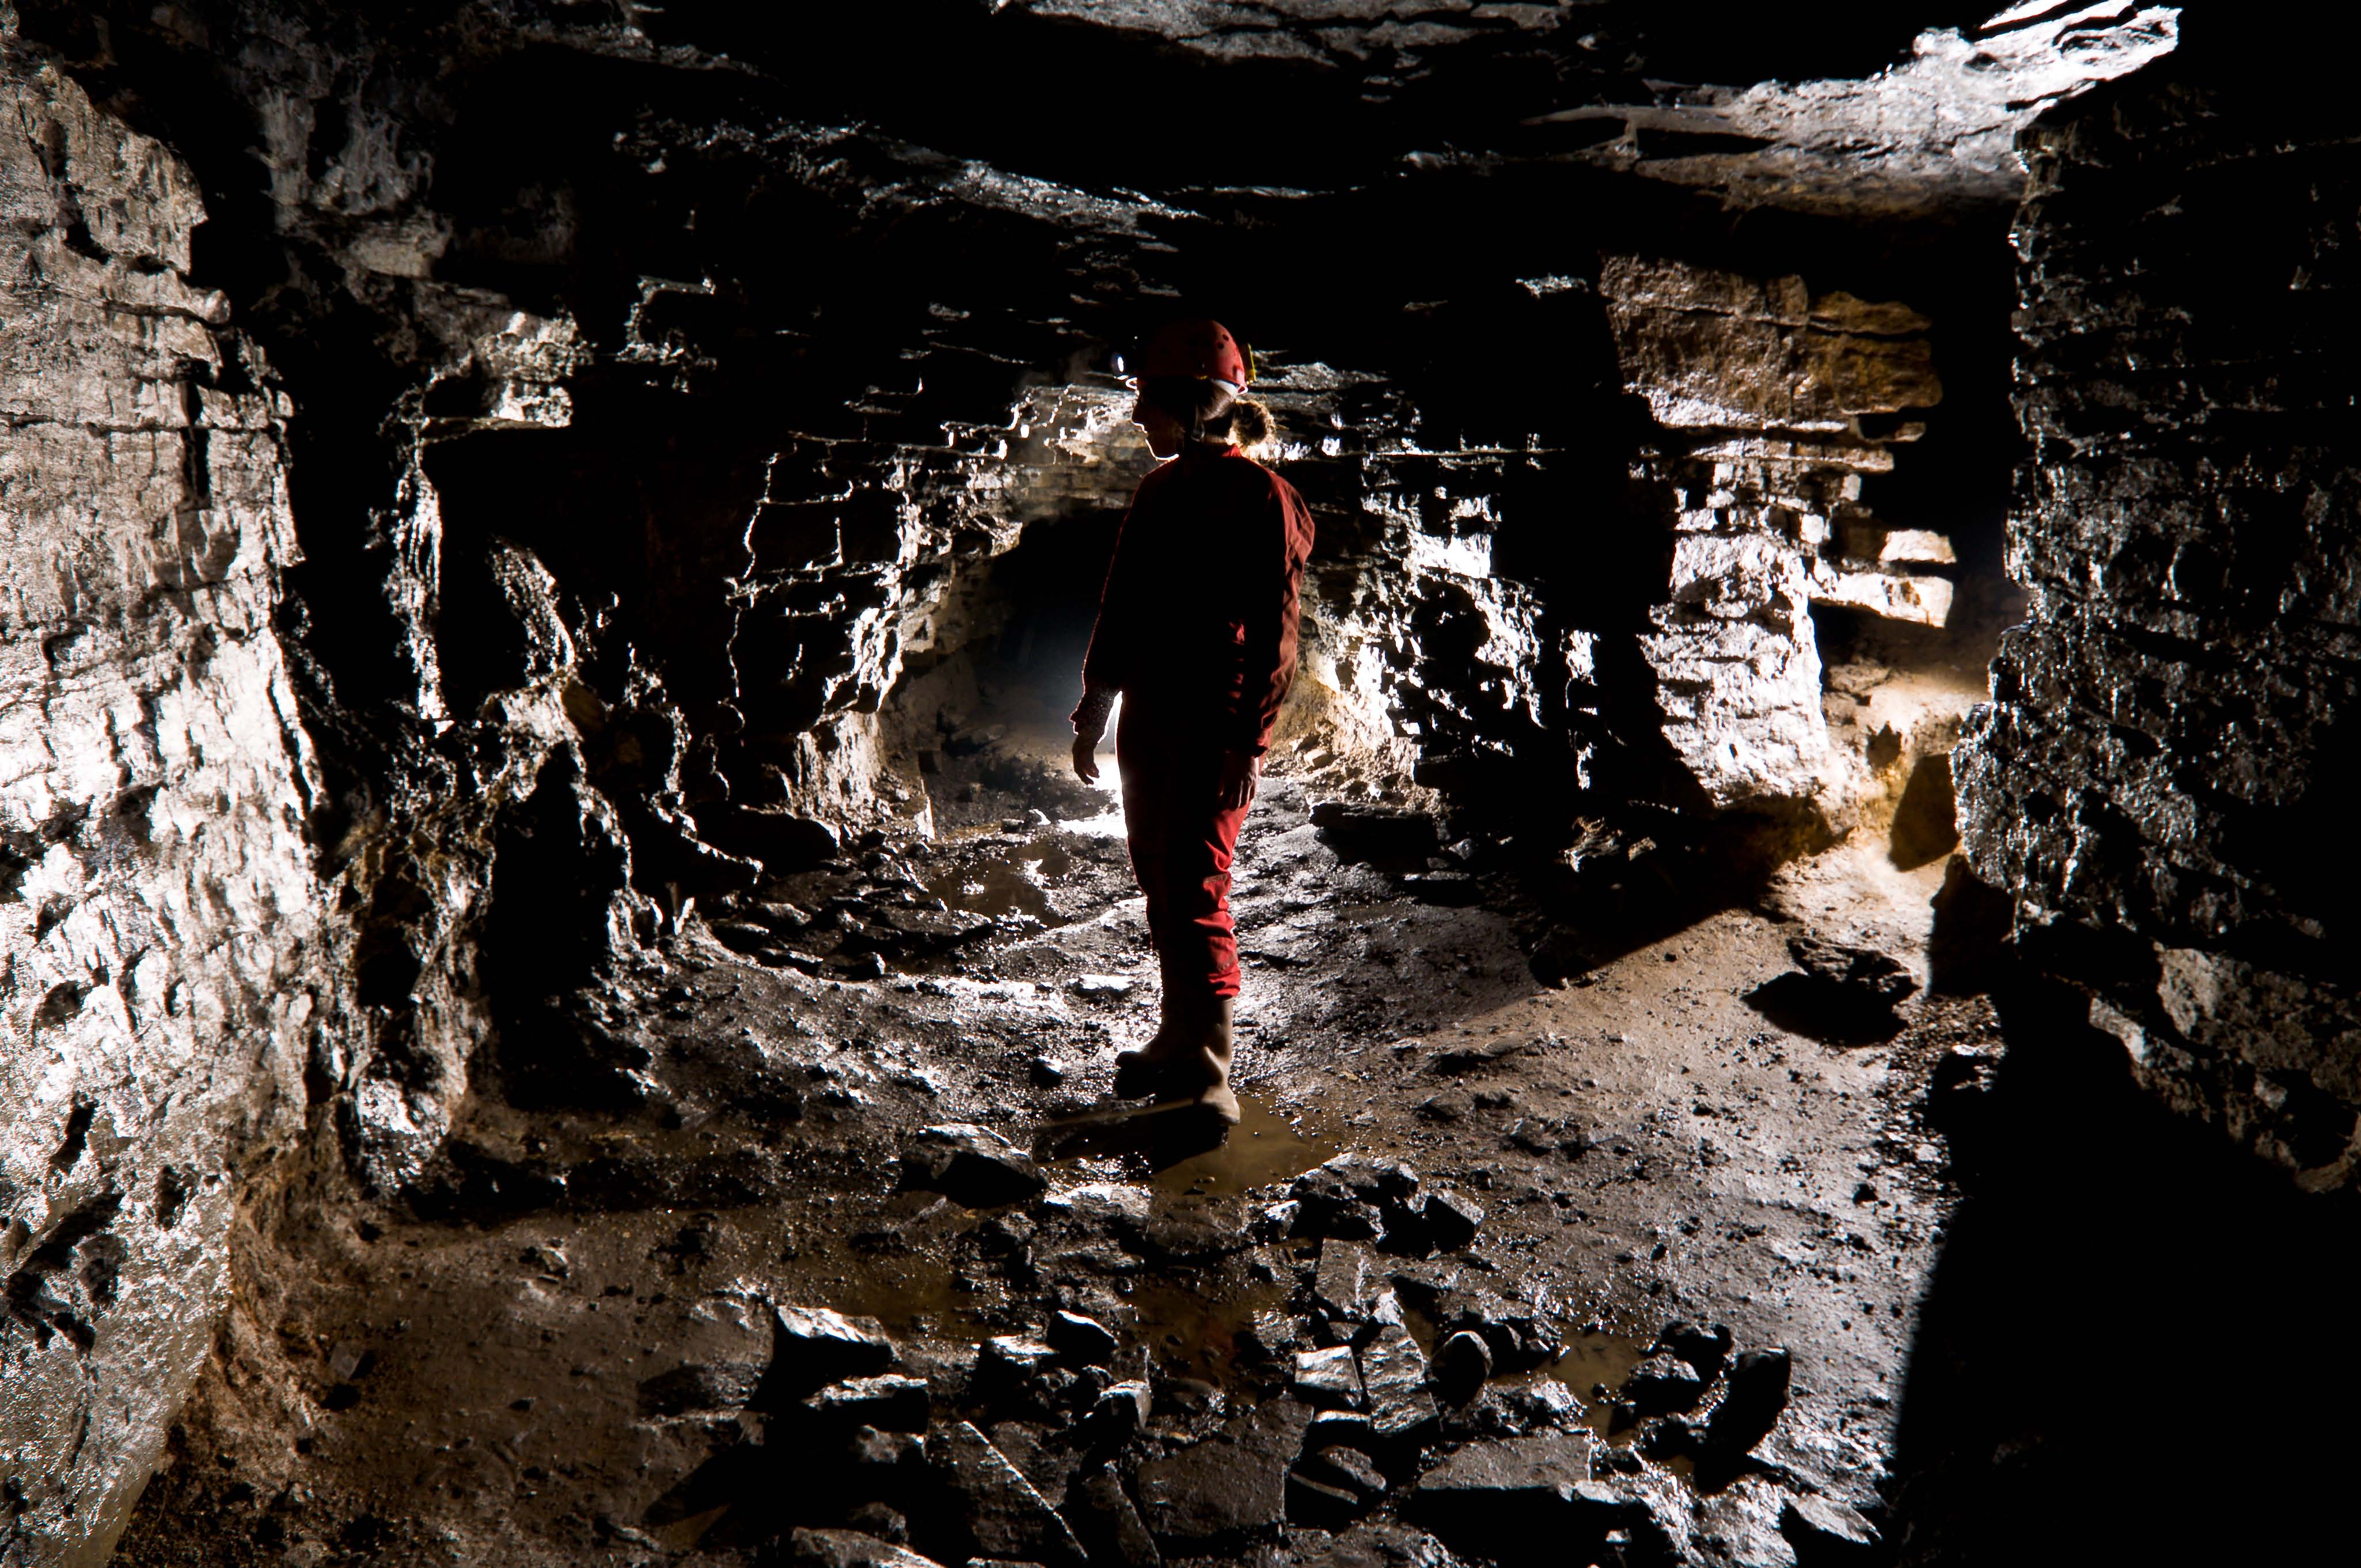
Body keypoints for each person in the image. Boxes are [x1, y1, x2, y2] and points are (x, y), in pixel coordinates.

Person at [1069, 319, 1316, 1126]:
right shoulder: (1158, 491)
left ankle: (1212, 1070)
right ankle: (1179, 1034)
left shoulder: (1262, 498)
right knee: (1159, 877)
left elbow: (1276, 634)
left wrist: (1250, 743)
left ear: (1194, 402)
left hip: (1213, 719)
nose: (1139, 417)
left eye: (1150, 399)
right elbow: (1123, 605)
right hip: (1152, 714)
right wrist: (1096, 709)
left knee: (1198, 882)